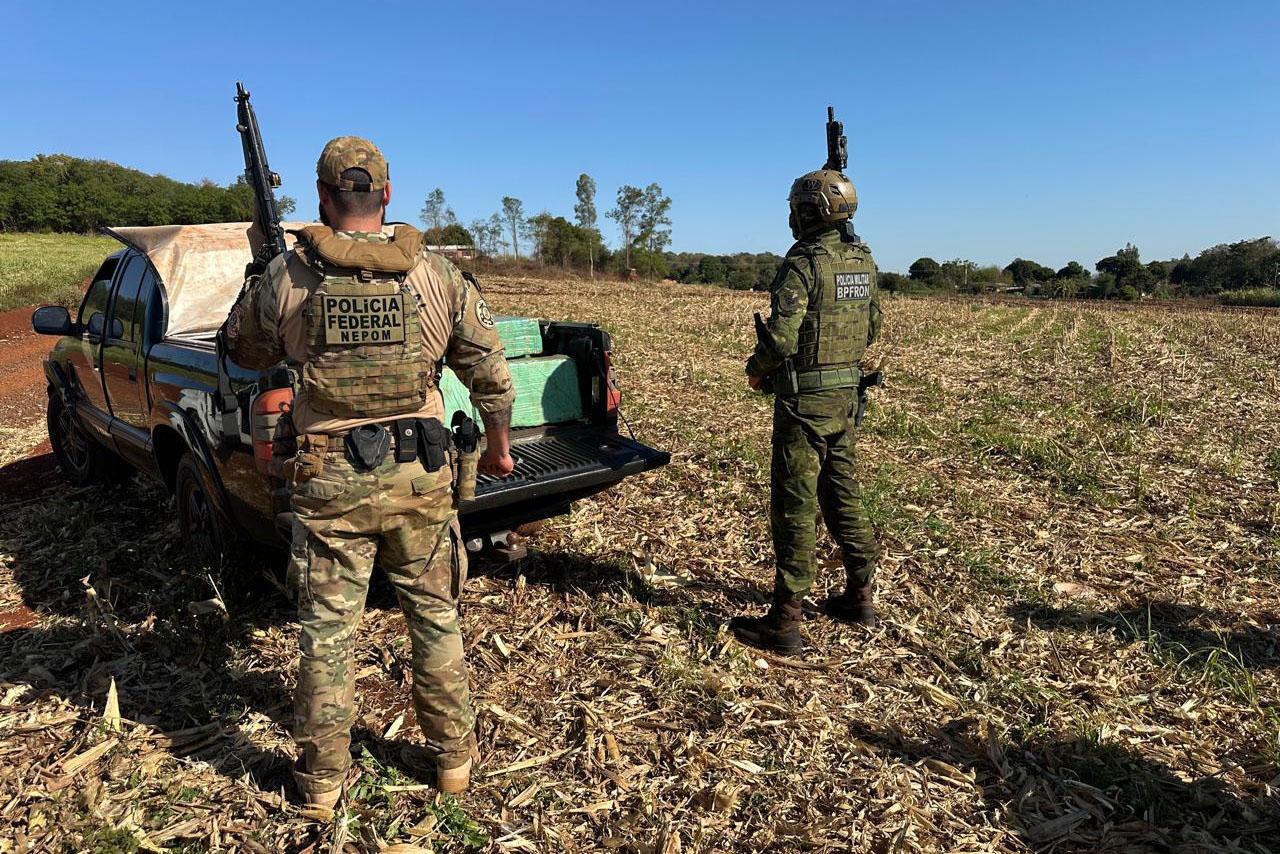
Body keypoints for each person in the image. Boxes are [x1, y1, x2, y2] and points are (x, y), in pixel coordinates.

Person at [223, 136, 515, 808]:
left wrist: (256, 286)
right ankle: (453, 765)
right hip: (421, 474)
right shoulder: (436, 276)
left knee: (328, 630)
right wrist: (498, 445)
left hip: (330, 478)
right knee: (435, 618)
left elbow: (242, 352)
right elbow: (491, 376)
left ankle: (321, 783)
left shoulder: (291, 277)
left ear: (323, 199)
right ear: (387, 195)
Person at [730, 166, 882, 655]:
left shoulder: (803, 263)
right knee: (843, 495)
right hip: (847, 399)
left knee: (794, 506)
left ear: (810, 213)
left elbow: (781, 337)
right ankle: (859, 595)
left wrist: (757, 368)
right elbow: (872, 329)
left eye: (796, 208)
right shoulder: (863, 260)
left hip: (804, 405)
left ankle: (785, 620)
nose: (791, 217)